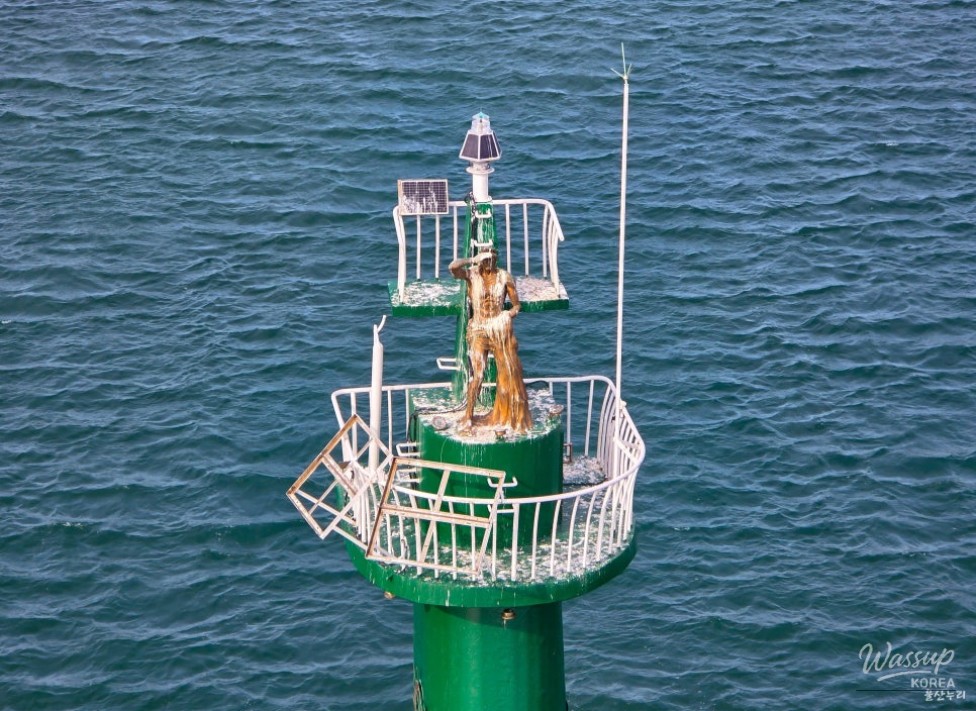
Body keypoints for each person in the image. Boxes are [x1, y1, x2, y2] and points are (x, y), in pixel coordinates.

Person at [449, 249, 532, 433]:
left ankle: (507, 412)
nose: (488, 262)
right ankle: (468, 415)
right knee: (477, 375)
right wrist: (471, 259)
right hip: (478, 329)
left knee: (508, 370)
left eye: (491, 259)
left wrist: (509, 314)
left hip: (497, 328)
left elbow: (516, 304)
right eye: (485, 259)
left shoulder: (504, 277)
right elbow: (453, 267)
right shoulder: (472, 275)